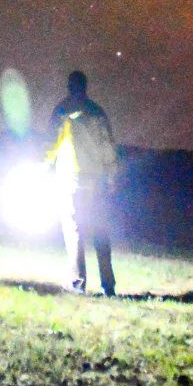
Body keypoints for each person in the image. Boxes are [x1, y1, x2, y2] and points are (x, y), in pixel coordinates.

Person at [44, 70, 117, 296]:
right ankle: (108, 285)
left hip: (70, 179)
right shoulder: (97, 112)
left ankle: (78, 282)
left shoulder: (62, 111)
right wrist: (112, 175)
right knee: (100, 231)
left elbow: (51, 144)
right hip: (96, 181)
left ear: (69, 86)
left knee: (73, 229)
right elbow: (107, 147)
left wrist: (43, 166)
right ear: (86, 86)